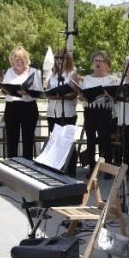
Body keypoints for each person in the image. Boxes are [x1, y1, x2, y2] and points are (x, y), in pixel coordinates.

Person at [79, 51, 119, 170]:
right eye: (96, 61)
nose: (98, 63)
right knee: (90, 140)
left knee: (105, 140)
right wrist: (83, 95)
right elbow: (81, 97)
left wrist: (109, 95)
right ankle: (91, 168)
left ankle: (107, 169)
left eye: (100, 61)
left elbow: (116, 98)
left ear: (106, 64)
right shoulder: (87, 78)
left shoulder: (113, 80)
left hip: (104, 112)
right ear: (92, 63)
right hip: (90, 111)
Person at [2, 47, 43, 160]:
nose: (18, 61)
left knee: (28, 138)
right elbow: (4, 89)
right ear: (12, 60)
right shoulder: (9, 71)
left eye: (21, 59)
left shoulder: (33, 72)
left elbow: (39, 92)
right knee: (12, 139)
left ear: (26, 59)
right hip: (12, 107)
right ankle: (12, 165)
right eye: (16, 59)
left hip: (28, 107)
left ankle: (27, 166)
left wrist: (26, 92)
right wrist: (7, 90)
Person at [44, 48, 79, 176]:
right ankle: (57, 168)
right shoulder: (52, 74)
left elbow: (75, 92)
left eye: (62, 58)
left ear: (67, 59)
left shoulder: (72, 73)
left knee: (68, 142)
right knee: (55, 141)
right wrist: (51, 95)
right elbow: (47, 90)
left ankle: (71, 171)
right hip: (52, 112)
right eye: (57, 58)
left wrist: (63, 95)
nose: (59, 60)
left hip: (67, 112)